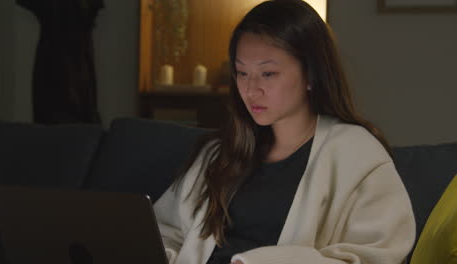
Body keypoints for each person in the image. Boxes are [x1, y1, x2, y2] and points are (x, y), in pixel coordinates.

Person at [154, 1, 416, 264]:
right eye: (242, 72)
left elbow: (377, 256)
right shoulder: (220, 152)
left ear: (311, 75)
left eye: (268, 74)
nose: (251, 90)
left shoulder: (356, 153)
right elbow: (163, 236)